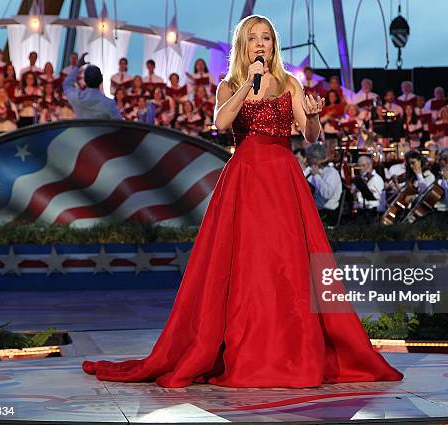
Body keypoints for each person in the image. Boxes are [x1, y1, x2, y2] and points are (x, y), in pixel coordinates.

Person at [82, 14, 402, 387]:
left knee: (288, 261)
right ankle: (243, 347)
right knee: (246, 263)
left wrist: (313, 119)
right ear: (243, 46)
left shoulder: (289, 84)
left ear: (273, 45)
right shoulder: (229, 85)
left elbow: (311, 136)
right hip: (245, 179)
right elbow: (221, 124)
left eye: (266, 38)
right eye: (254, 38)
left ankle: (293, 347)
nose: (261, 44)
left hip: (282, 178)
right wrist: (247, 84)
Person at [63, 53, 122, 120]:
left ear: (85, 80)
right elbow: (119, 124)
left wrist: (78, 66)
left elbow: (67, 85)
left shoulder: (77, 98)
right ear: (101, 80)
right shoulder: (109, 103)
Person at [303, 142, 342, 222]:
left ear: (316, 159)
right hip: (314, 211)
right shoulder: (311, 170)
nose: (307, 160)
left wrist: (316, 176)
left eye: (309, 158)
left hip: (327, 213)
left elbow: (326, 194)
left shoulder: (331, 173)